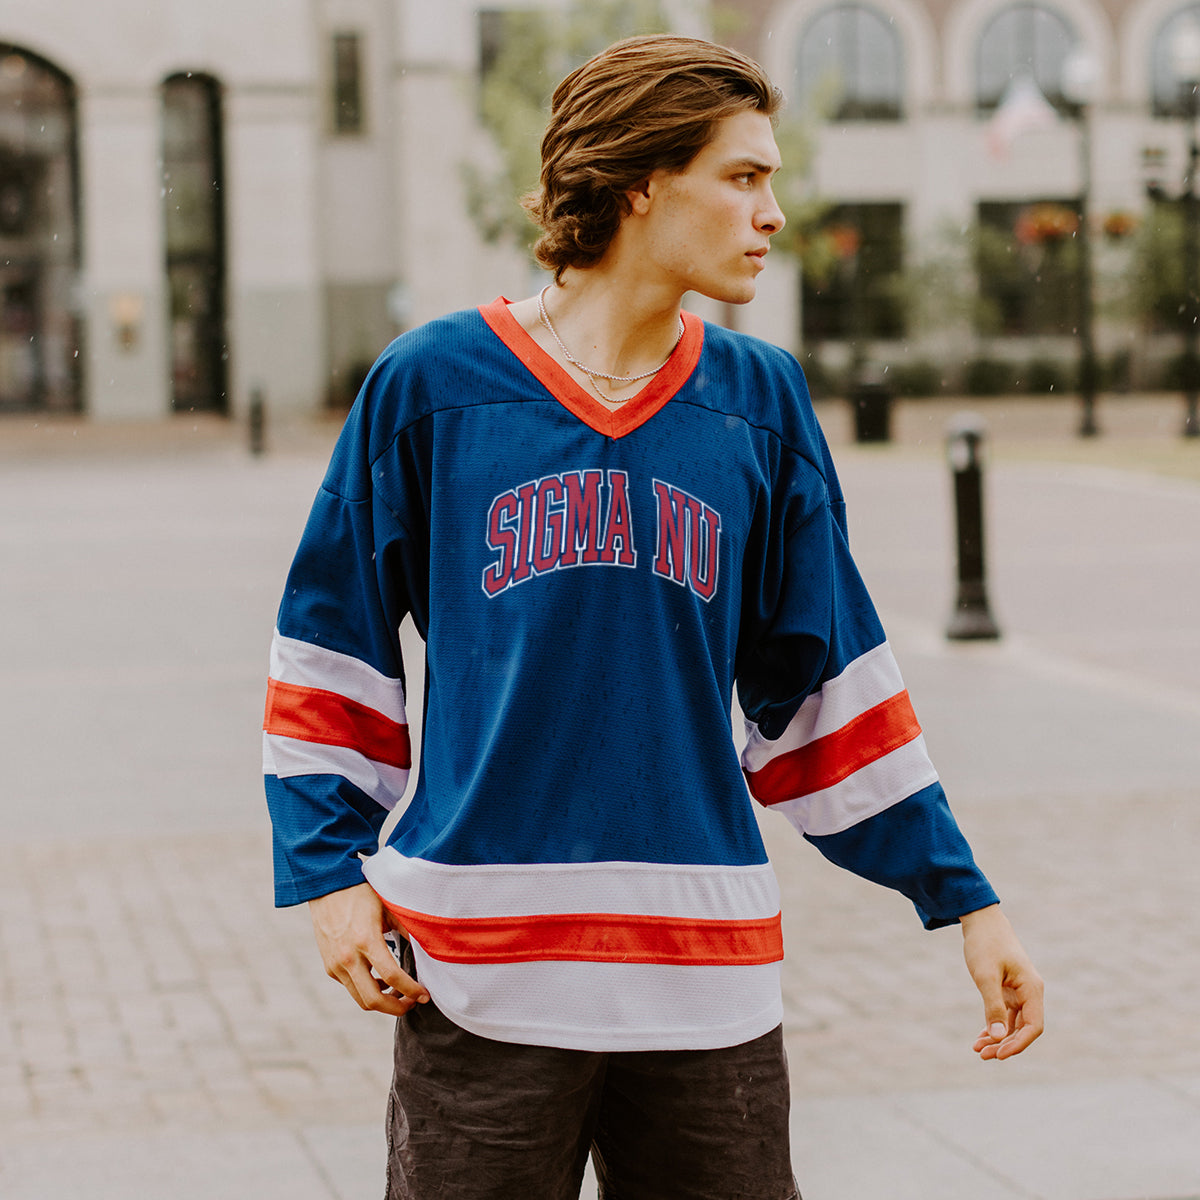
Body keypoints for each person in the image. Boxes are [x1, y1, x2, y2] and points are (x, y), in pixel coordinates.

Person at [262, 33, 1043, 1200]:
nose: (773, 212)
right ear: (637, 183)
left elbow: (825, 689)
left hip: (705, 984)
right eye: (743, 177)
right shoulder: (434, 386)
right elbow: (336, 646)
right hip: (481, 980)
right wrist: (328, 876)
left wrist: (962, 897)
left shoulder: (758, 401)